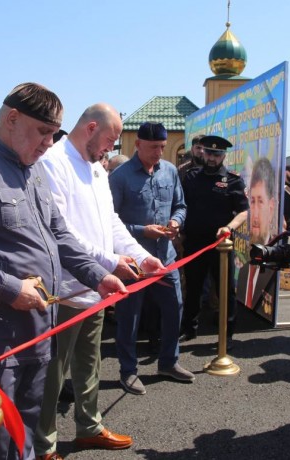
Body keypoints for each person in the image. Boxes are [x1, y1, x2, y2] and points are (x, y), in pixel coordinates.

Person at [0, 82, 126, 460]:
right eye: (43, 131)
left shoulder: (32, 171)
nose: (49, 143)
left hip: (36, 329)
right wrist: (9, 287)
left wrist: (97, 274)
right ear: (12, 118)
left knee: (26, 428)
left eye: (53, 134)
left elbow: (59, 235)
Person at [35, 104, 164, 459]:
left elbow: (111, 224)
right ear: (91, 127)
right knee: (52, 373)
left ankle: (88, 427)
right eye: (109, 139)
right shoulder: (53, 162)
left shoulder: (96, 167)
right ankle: (43, 446)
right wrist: (111, 261)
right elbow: (62, 231)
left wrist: (141, 256)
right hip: (63, 288)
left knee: (88, 363)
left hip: (97, 287)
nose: (111, 148)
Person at [108, 121, 194, 396]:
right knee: (129, 318)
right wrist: (142, 230)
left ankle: (169, 362)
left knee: (174, 310)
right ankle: (128, 371)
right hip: (134, 263)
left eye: (162, 147)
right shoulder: (119, 177)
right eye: (154, 147)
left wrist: (176, 222)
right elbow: (110, 222)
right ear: (138, 145)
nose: (159, 152)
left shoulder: (169, 171)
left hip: (166, 259)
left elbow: (180, 205)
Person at [179, 135, 248, 346]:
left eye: (216, 154)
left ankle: (227, 333)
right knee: (194, 287)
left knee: (225, 290)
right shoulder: (190, 177)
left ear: (223, 156)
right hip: (195, 243)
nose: (211, 158)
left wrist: (229, 227)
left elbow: (244, 212)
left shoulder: (233, 180)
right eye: (208, 152)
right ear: (202, 152)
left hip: (221, 246)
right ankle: (189, 329)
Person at [238, 157, 279, 316]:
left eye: (260, 201)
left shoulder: (273, 265)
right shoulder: (244, 271)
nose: (254, 213)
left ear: (271, 206)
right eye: (252, 201)